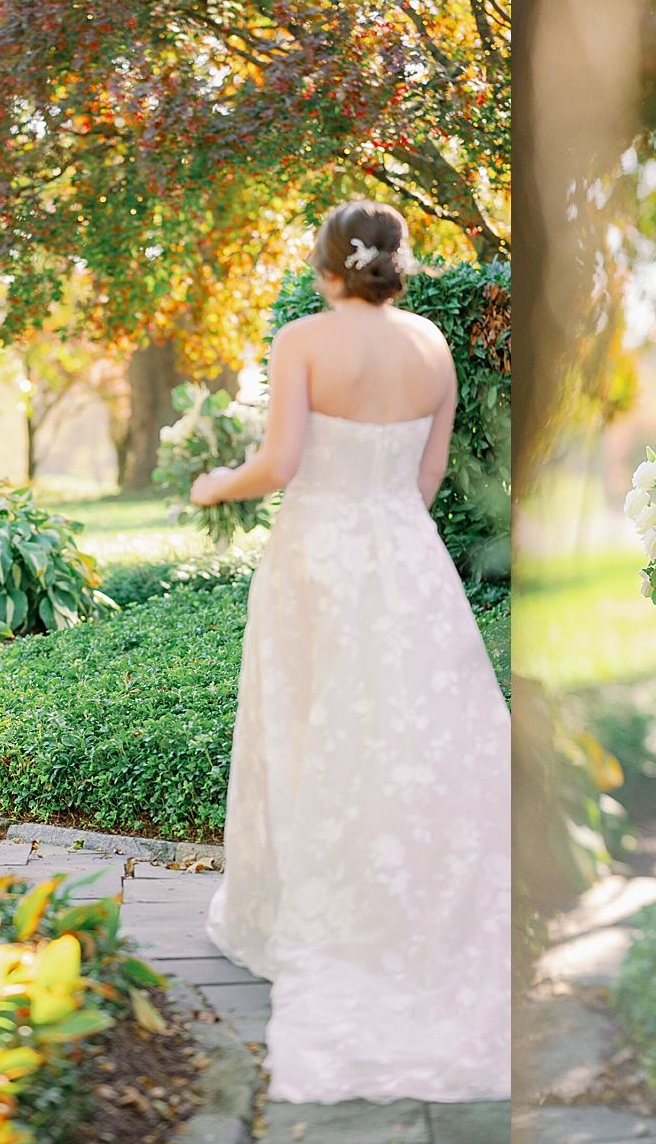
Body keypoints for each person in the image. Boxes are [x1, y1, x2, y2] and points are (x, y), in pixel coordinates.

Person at [190, 200, 510, 1103]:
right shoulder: (433, 349)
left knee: (303, 724)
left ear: (329, 266)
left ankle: (304, 909)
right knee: (409, 733)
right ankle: (406, 902)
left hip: (316, 558)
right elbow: (427, 477)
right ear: (393, 264)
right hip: (405, 557)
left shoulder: (302, 341)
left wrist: (217, 482)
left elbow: (280, 460)